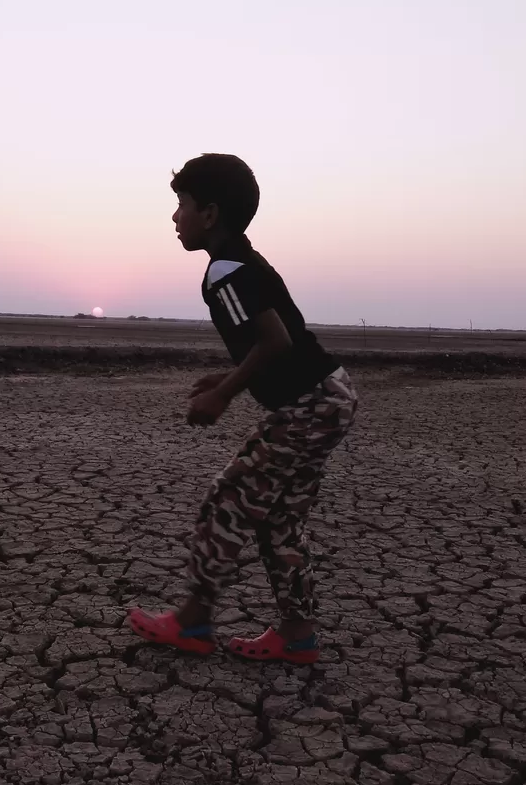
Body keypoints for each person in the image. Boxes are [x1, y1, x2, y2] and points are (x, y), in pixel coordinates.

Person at [128, 154, 358, 665]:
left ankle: (192, 622)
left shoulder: (225, 272)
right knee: (277, 519)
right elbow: (273, 339)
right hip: (330, 394)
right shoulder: (244, 261)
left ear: (209, 214)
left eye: (180, 206)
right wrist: (227, 375)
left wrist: (224, 394)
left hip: (309, 404)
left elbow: (274, 340)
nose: (174, 217)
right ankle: (298, 634)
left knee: (225, 501)